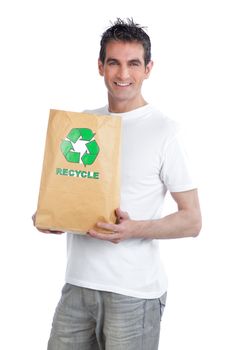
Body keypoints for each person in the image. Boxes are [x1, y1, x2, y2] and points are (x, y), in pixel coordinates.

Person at [33, 18, 202, 350]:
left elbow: (192, 220)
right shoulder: (83, 123)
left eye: (133, 64)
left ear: (148, 68)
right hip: (77, 287)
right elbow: (71, 189)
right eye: (114, 63)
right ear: (100, 66)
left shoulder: (165, 131)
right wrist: (50, 216)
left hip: (133, 294)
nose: (123, 74)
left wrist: (133, 229)